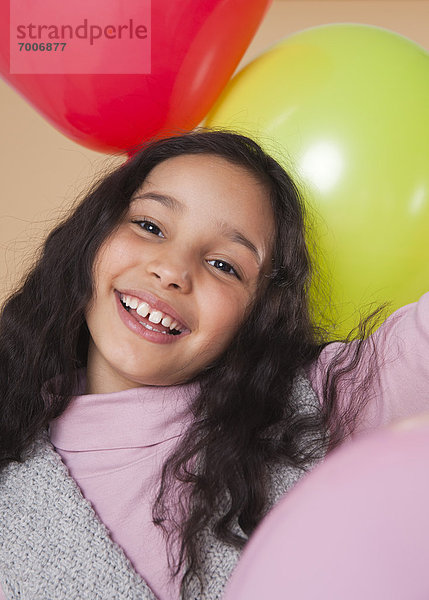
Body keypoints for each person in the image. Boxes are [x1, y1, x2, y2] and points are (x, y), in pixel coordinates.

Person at [0, 129, 428, 600]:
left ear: (257, 315)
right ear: (93, 238)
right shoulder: (13, 431)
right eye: (150, 226)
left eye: (225, 265)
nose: (173, 270)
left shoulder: (314, 405)